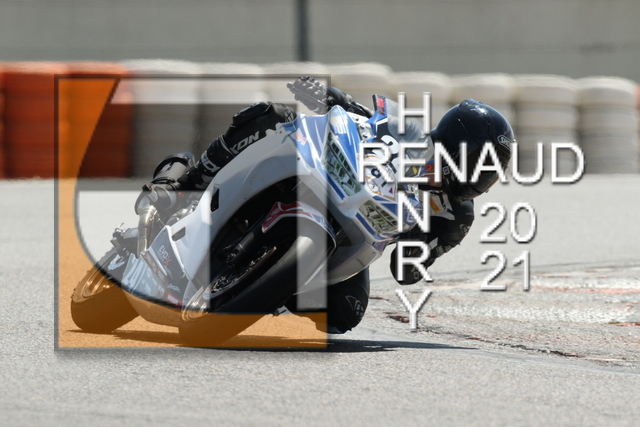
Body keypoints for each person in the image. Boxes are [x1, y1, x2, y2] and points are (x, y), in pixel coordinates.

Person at [139, 76, 514, 334]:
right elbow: (360, 116)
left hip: (360, 234)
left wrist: (418, 251)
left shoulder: (456, 217)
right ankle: (184, 185)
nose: (482, 181)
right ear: (456, 148)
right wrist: (328, 95)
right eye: (481, 167)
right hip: (333, 181)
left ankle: (267, 287)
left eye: (491, 174)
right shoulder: (409, 135)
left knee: (346, 313)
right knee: (272, 115)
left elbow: (406, 270)